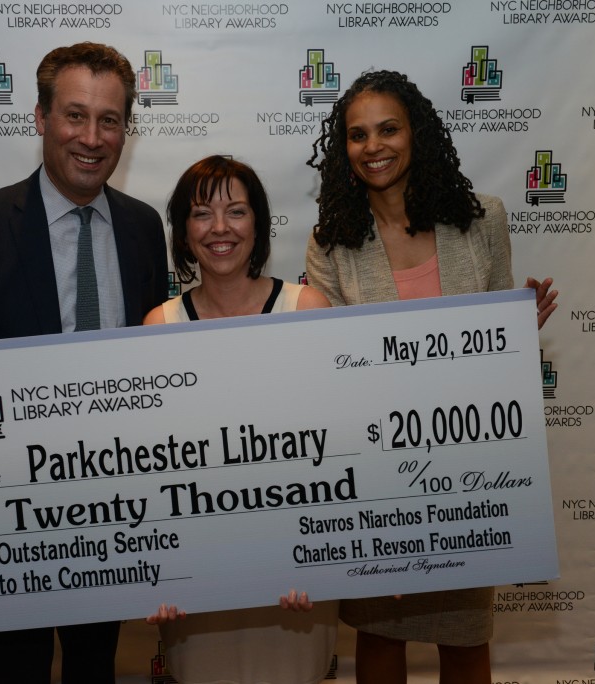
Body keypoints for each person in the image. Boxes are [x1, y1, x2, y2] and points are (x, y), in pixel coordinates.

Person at [0, 42, 169, 684]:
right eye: (74, 115)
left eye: (109, 120)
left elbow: (161, 370)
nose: (91, 136)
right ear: (41, 118)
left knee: (93, 668)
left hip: (110, 506)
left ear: (125, 129)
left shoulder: (142, 228)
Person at [304, 70, 558, 683]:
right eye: (358, 135)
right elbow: (329, 370)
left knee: (467, 642)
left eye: (388, 129)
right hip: (378, 480)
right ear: (344, 150)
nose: (374, 146)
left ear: (417, 132)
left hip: (468, 473)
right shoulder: (331, 243)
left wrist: (513, 335)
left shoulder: (484, 221)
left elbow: (496, 365)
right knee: (381, 639)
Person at [143, 155, 337, 684]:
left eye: (237, 211)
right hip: (199, 584)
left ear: (259, 224)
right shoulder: (160, 325)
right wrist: (161, 574)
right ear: (183, 233)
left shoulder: (307, 308)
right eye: (202, 214)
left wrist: (317, 559)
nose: (221, 229)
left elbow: (337, 446)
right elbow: (155, 465)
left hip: (297, 577)